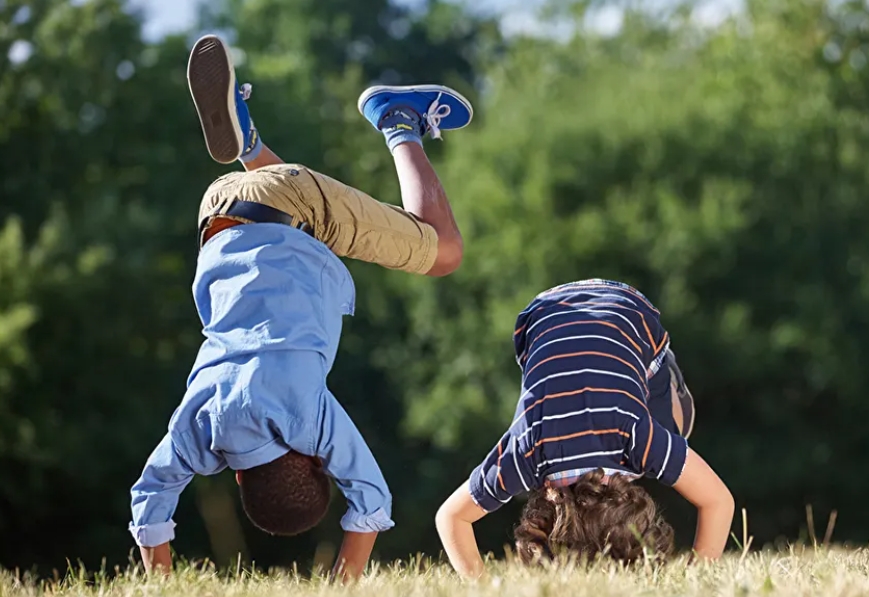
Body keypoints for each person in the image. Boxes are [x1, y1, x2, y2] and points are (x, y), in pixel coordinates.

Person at [128, 34, 473, 580]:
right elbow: (148, 500)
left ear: (315, 460)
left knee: (443, 251)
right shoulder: (201, 428)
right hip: (219, 217)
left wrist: (346, 578)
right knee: (296, 228)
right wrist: (161, 586)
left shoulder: (311, 422)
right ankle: (247, 142)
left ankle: (397, 118)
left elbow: (372, 500)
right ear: (239, 478)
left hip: (289, 203)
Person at [435, 279, 734, 578]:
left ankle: (668, 396)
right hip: (540, 317)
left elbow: (719, 502)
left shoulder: (635, 438)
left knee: (670, 435)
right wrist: (482, 586)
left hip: (629, 312)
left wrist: (699, 577)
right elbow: (451, 518)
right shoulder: (529, 451)